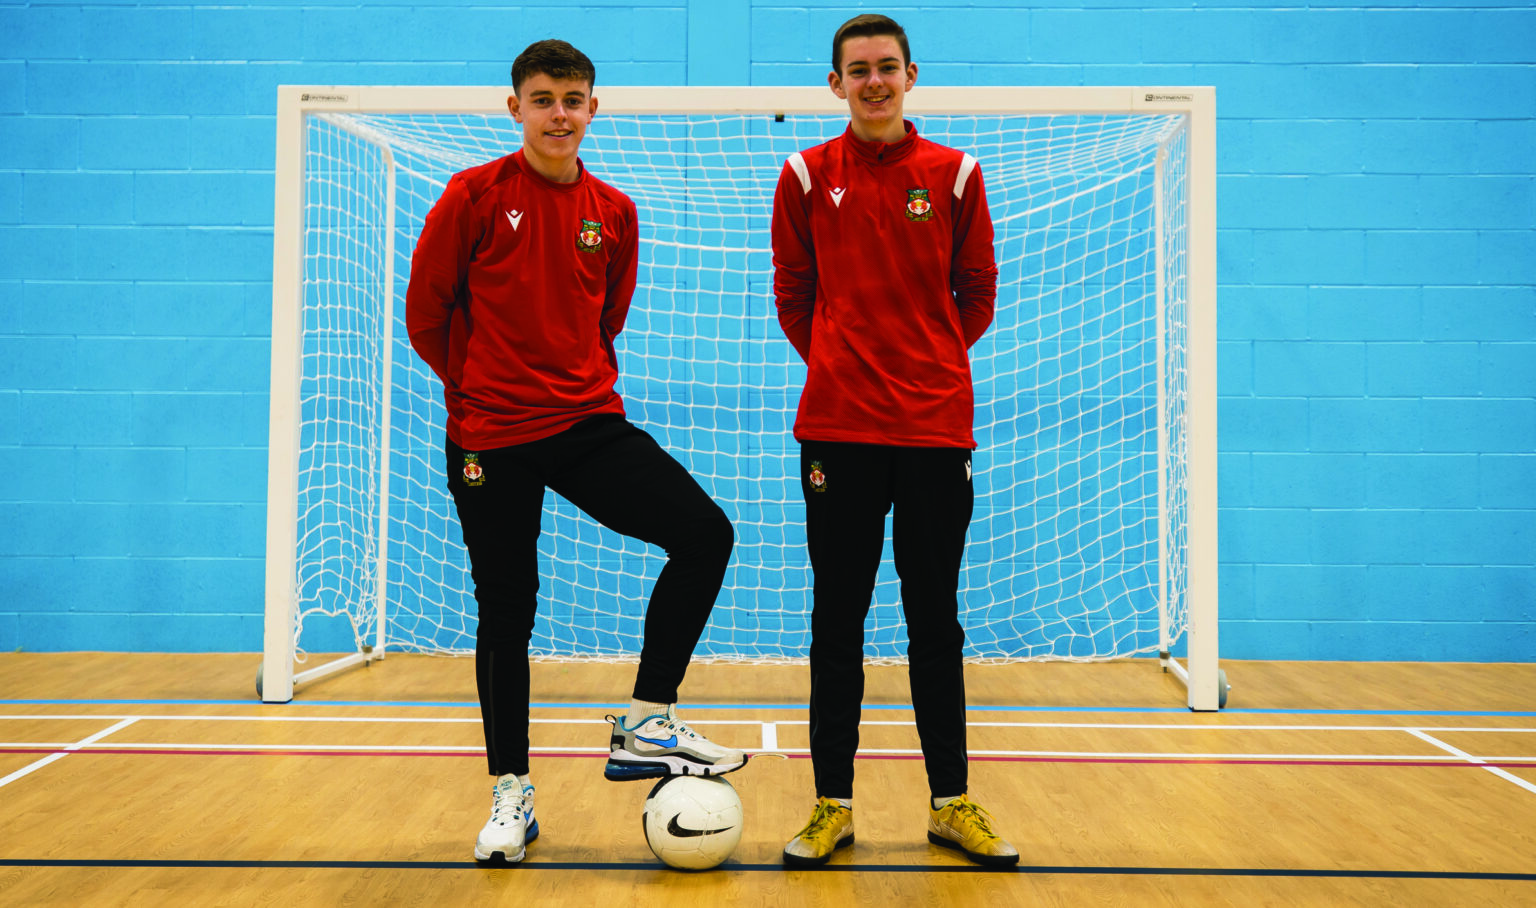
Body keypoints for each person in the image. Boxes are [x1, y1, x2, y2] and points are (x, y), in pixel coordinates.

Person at [405, 39, 744, 866]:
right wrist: (476, 392)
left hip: (586, 423)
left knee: (705, 536)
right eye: (545, 97)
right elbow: (425, 311)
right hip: (489, 436)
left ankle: (647, 718)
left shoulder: (616, 212)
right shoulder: (473, 195)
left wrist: (561, 387)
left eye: (574, 98)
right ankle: (511, 794)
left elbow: (605, 318)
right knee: (507, 610)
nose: (560, 112)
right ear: (514, 106)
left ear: (596, 107)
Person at [770, 14, 1019, 868]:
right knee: (836, 623)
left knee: (933, 624)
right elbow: (794, 294)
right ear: (834, 84)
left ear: (911, 74)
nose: (873, 82)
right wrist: (846, 361)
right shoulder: (804, 175)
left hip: (933, 431)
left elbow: (976, 290)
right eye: (857, 70)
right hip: (837, 431)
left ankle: (951, 802)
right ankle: (830, 806)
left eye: (886, 67)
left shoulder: (955, 175)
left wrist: (925, 361)